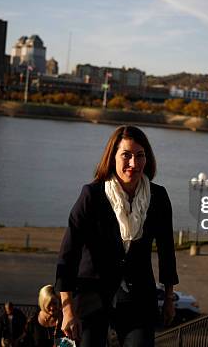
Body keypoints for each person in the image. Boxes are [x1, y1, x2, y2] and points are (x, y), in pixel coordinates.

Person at [55, 125, 179, 347]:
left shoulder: (158, 197)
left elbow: (167, 251)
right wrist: (67, 308)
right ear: (112, 158)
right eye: (126, 155)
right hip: (92, 296)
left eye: (140, 156)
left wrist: (169, 298)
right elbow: (69, 252)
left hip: (139, 299)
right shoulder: (91, 196)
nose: (134, 163)